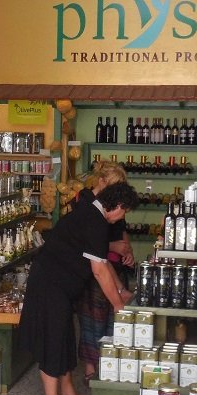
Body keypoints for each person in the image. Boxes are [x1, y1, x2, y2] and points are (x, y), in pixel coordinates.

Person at [21, 181, 140, 395]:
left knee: (64, 337)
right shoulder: (95, 220)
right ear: (117, 205)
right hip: (49, 285)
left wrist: (120, 292)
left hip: (60, 288)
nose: (121, 218)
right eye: (124, 212)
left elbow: (103, 263)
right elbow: (99, 270)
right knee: (53, 342)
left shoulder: (92, 213)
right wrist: (118, 305)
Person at [71, 162, 134, 381]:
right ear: (101, 181)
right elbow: (84, 242)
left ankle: (111, 366)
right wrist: (112, 247)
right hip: (95, 267)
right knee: (92, 318)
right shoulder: (85, 202)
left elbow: (121, 229)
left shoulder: (114, 205)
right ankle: (91, 368)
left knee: (112, 320)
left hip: (113, 266)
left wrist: (127, 250)